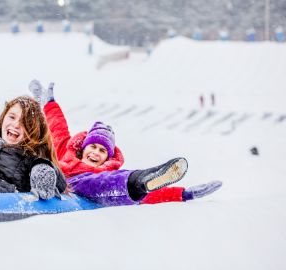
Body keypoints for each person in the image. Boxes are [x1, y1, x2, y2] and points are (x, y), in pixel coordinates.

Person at [29, 80, 222, 206]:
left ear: (107, 157)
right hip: (51, 181)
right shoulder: (66, 151)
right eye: (93, 147)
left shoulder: (105, 175)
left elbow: (152, 195)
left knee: (109, 182)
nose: (96, 152)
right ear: (84, 147)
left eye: (102, 151)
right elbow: (57, 127)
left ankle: (139, 181)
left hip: (87, 187)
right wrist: (48, 103)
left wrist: (184, 194)